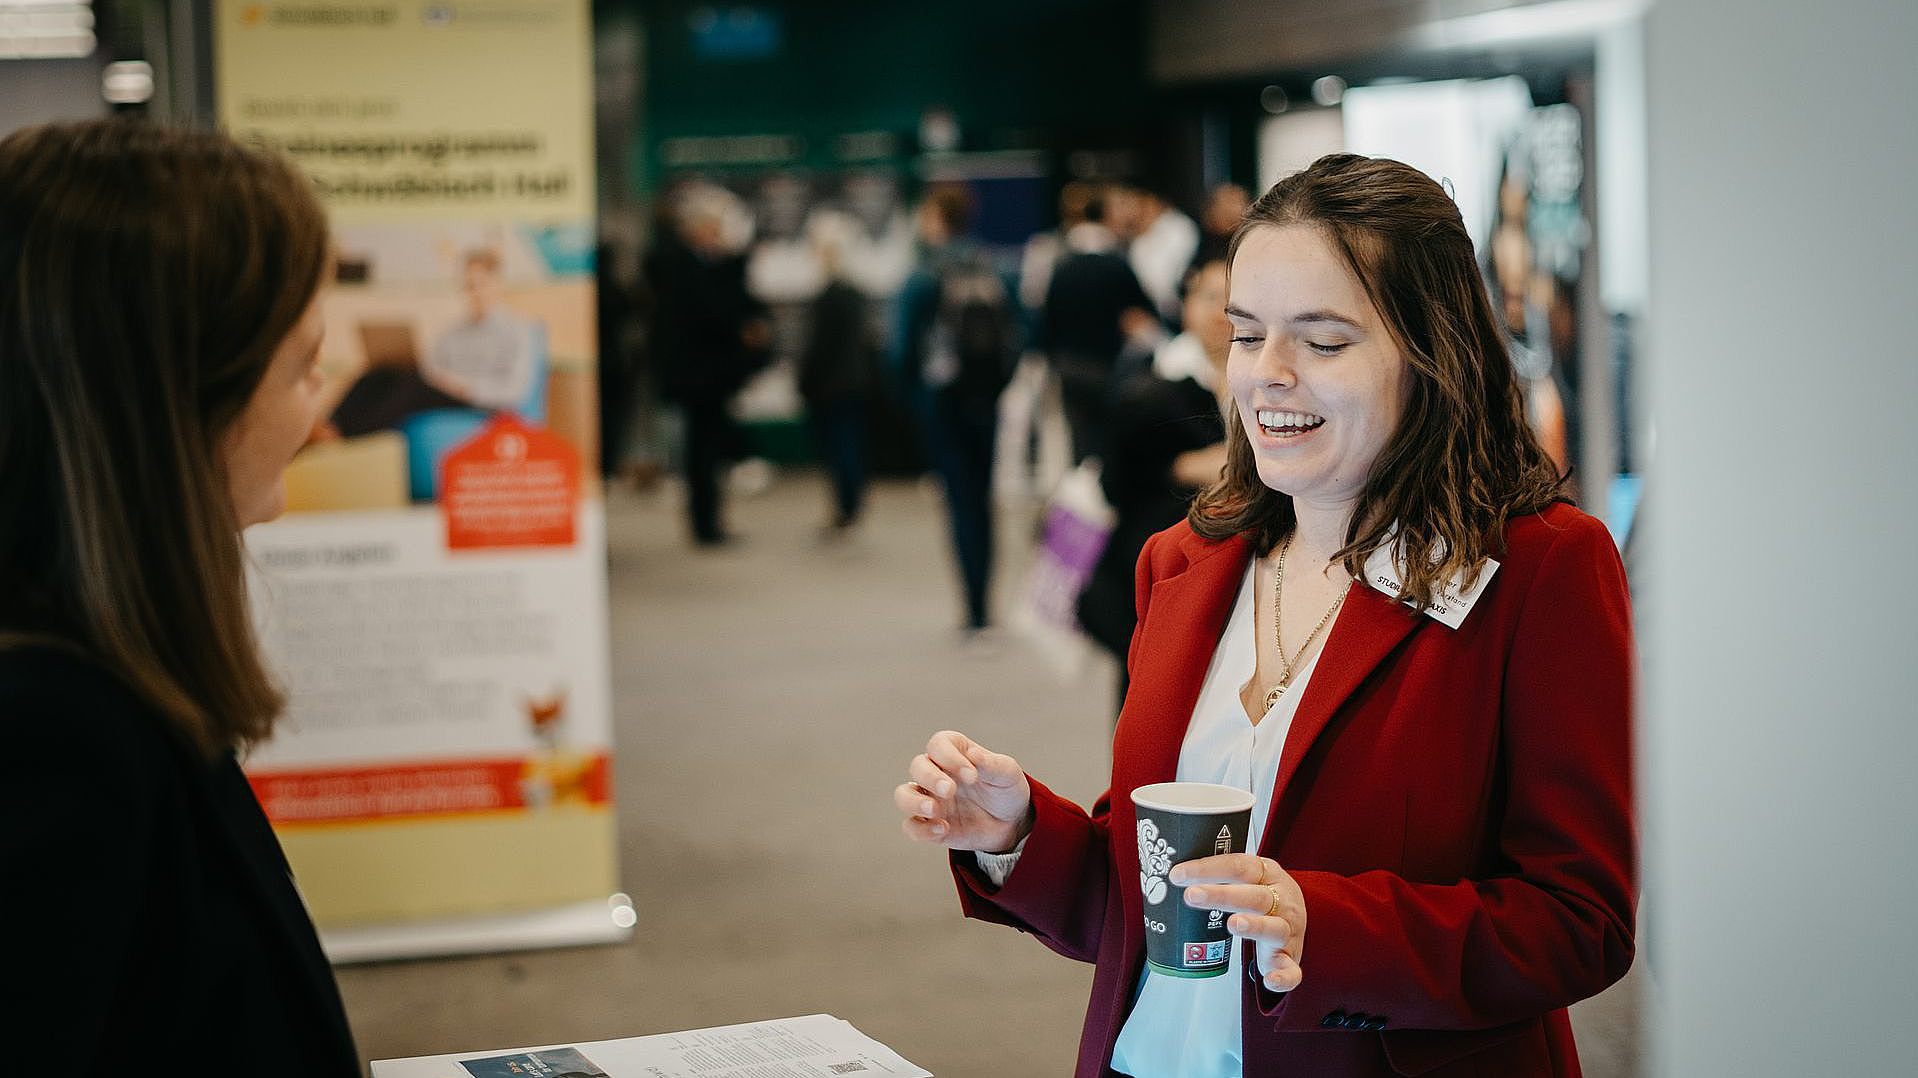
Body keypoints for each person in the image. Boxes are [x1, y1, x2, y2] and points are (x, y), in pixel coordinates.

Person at [895, 154, 1634, 1077]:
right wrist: (1016, 835)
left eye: (1323, 343)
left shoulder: (1540, 569)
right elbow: (1151, 911)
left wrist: (1327, 926)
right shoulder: (1184, 564)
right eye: (1247, 336)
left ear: (1431, 352)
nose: (1268, 377)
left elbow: (1582, 923)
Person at [0, 120, 359, 1072]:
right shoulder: (53, 730)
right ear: (178, 402)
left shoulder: (102, 668)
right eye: (301, 364)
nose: (317, 403)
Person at [1075, 257, 1232, 709]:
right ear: (1185, 305)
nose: (1222, 312)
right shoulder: (1153, 385)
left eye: (1234, 300)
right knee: (1150, 691)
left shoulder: (1272, 384)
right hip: (1160, 568)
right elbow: (1116, 480)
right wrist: (1183, 467)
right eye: (1209, 298)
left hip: (1233, 573)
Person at [893, 184, 1019, 635]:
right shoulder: (996, 267)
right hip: (986, 398)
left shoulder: (924, 273)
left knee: (960, 500)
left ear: (935, 220)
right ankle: (987, 598)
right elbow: (1019, 334)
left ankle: (974, 606)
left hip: (943, 403)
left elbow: (901, 347)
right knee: (984, 501)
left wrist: (914, 398)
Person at [647, 182, 770, 546]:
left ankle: (710, 520)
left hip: (711, 378)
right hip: (698, 379)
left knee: (709, 450)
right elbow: (710, 316)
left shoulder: (708, 266)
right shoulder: (682, 268)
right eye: (713, 228)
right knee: (702, 452)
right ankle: (705, 524)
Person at [1039, 194, 1156, 463]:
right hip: (1106, 364)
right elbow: (1145, 311)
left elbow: (1047, 318)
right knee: (1107, 436)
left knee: (1078, 439)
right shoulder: (1116, 265)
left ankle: (1083, 490)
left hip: (1069, 364)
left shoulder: (1063, 266)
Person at [797, 211, 880, 534]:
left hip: (832, 385)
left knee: (840, 446)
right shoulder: (854, 294)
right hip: (854, 382)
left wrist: (806, 381)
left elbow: (820, 347)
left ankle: (846, 505)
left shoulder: (829, 297)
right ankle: (852, 501)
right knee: (851, 443)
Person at [423, 247, 539, 412]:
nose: (475, 292)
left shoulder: (518, 330)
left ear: (498, 284)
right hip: (445, 395)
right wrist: (442, 380)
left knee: (409, 389)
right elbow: (431, 367)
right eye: (469, 286)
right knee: (389, 377)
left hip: (482, 404)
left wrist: (468, 388)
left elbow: (514, 390)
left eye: (482, 284)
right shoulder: (453, 331)